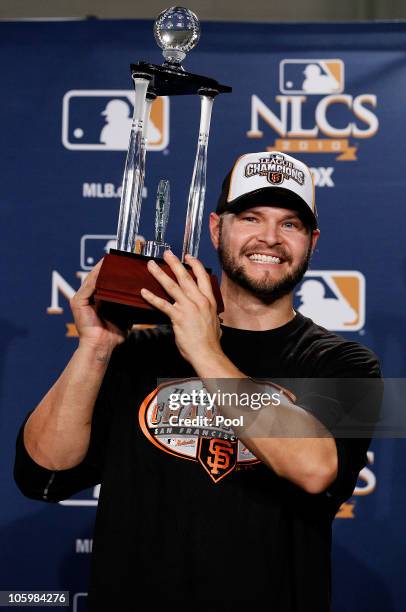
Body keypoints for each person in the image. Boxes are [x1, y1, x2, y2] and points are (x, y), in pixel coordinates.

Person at [14, 151, 382, 612]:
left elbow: (316, 471)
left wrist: (205, 350)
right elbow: (43, 473)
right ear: (215, 228)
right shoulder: (138, 352)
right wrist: (96, 347)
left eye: (290, 224)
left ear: (312, 241)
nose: (270, 237)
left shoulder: (348, 364)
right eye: (250, 217)